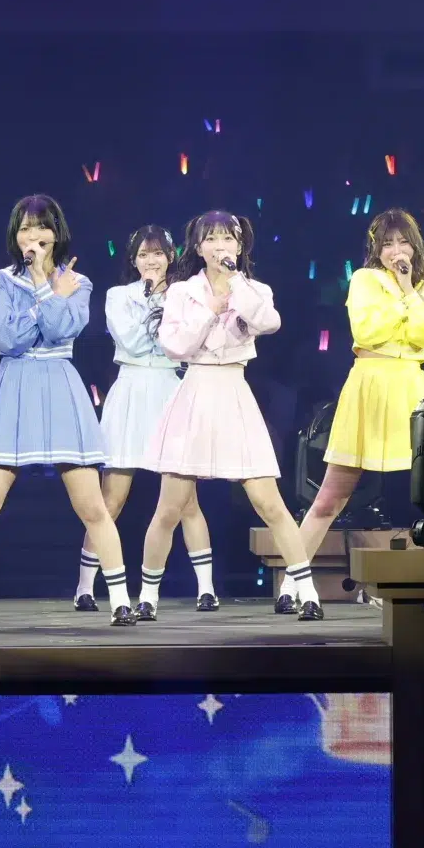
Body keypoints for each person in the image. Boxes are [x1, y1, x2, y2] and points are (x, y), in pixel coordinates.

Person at [0, 196, 138, 627]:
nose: (34, 236)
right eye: (25, 228)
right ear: (15, 236)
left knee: (92, 506)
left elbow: (63, 329)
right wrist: (45, 296)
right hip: (13, 386)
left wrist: (45, 289)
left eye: (42, 227)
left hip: (60, 385)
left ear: (56, 233)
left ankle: (121, 600)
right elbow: (5, 339)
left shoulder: (78, 282)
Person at [138, 211, 321, 619]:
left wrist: (235, 284)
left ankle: (307, 592)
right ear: (198, 247)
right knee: (169, 508)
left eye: (228, 238)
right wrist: (210, 309)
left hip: (235, 392)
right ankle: (148, 596)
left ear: (239, 246)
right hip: (195, 392)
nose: (220, 245)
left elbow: (269, 323)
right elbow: (175, 346)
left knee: (269, 502)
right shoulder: (182, 291)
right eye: (211, 239)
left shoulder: (253, 289)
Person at [293, 209, 424, 577]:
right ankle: (293, 581)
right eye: (387, 244)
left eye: (403, 242)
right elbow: (367, 331)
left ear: (415, 247)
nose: (396, 250)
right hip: (369, 384)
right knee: (331, 496)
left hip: (412, 386)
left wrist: (407, 292)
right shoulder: (364, 280)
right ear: (376, 250)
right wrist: (405, 308)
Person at [72, 225, 217, 613]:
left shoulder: (187, 294)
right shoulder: (118, 296)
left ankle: (207, 588)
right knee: (111, 497)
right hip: (131, 391)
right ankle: (84, 586)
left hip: (171, 389)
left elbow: (184, 346)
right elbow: (132, 342)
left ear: (170, 257)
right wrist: (156, 309)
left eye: (157, 254)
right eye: (142, 255)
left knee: (186, 500)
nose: (150, 261)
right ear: (133, 260)